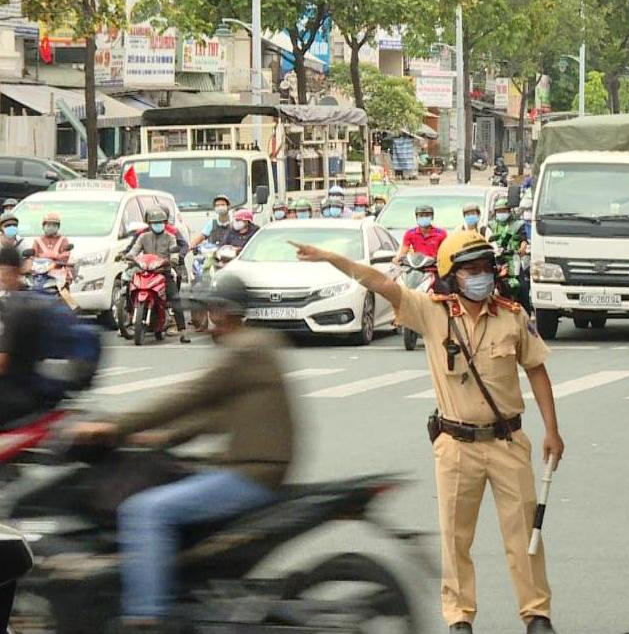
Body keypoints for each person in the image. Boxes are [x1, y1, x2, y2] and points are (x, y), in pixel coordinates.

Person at [290, 231, 564, 634]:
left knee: (524, 534)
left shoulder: (512, 315)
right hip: (455, 445)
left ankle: (536, 614)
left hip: (508, 441)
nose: (481, 276)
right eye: (471, 269)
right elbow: (379, 282)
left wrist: (552, 432)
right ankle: (459, 619)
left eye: (486, 268)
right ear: (452, 275)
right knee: (455, 539)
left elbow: (537, 370)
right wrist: (331, 256)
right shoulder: (431, 312)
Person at [69, 274, 295, 632]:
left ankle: (146, 618)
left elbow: (187, 397)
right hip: (241, 465)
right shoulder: (253, 347)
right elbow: (214, 417)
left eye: (210, 312)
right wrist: (161, 439)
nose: (205, 321)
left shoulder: (245, 350)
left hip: (253, 474)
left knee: (145, 510)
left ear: (225, 313)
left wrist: (115, 426)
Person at [0, 245, 49, 425]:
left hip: (15, 394)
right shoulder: (24, 300)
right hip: (27, 388)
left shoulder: (14, 308)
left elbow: (2, 363)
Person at [127, 208, 190, 344]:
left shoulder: (170, 237)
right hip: (145, 271)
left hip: (163, 272)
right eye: (154, 223)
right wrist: (131, 257)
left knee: (175, 299)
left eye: (160, 222)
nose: (157, 225)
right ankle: (127, 316)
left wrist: (172, 260)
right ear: (149, 224)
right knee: (128, 286)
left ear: (165, 223)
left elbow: (174, 254)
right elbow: (133, 251)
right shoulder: (143, 237)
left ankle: (183, 331)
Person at [32, 212, 79, 310]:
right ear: (43, 226)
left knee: (64, 292)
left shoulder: (63, 240)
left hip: (58, 273)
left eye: (54, 225)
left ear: (58, 227)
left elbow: (65, 256)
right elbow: (33, 256)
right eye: (48, 224)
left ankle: (72, 311)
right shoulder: (37, 240)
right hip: (41, 273)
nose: (51, 227)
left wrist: (50, 257)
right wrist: (54, 256)